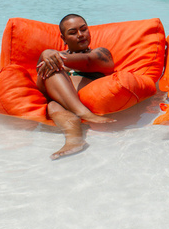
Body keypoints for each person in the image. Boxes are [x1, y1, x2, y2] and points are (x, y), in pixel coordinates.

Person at [36, 14, 116, 160]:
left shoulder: (100, 53)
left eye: (83, 29)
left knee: (54, 97)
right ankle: (75, 140)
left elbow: (87, 61)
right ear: (63, 39)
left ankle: (80, 120)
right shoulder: (54, 59)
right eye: (73, 32)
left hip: (84, 100)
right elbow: (41, 86)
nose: (80, 35)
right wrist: (46, 53)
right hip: (65, 102)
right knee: (52, 97)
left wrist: (52, 56)